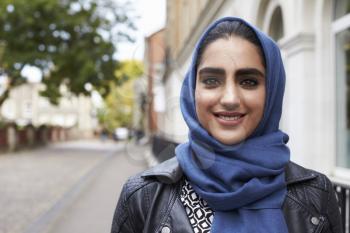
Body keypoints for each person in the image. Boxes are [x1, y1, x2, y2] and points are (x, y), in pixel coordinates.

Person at [111, 17, 342, 233]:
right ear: (193, 90)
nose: (230, 98)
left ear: (272, 91)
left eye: (249, 81)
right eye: (211, 81)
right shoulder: (143, 196)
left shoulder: (316, 195)